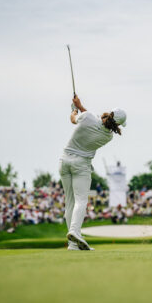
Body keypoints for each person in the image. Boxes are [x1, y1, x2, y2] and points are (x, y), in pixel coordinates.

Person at [59, 95, 126, 251]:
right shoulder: (108, 136)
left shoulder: (87, 117)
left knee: (69, 202)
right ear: (118, 125)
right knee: (81, 200)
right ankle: (75, 231)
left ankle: (73, 243)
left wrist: (75, 109)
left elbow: (74, 119)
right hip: (81, 165)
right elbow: (94, 122)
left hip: (64, 161)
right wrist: (80, 107)